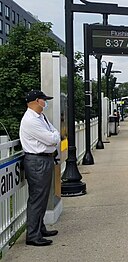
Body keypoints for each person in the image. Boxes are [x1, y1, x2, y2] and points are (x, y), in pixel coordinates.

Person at [19, 90, 60, 246]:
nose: (45, 102)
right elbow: (51, 138)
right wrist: (53, 136)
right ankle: (33, 236)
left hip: (44, 160)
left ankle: (40, 228)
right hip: (37, 162)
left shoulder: (41, 117)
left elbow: (54, 135)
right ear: (37, 101)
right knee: (37, 198)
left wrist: (53, 136)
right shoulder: (30, 120)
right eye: (44, 100)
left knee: (42, 198)